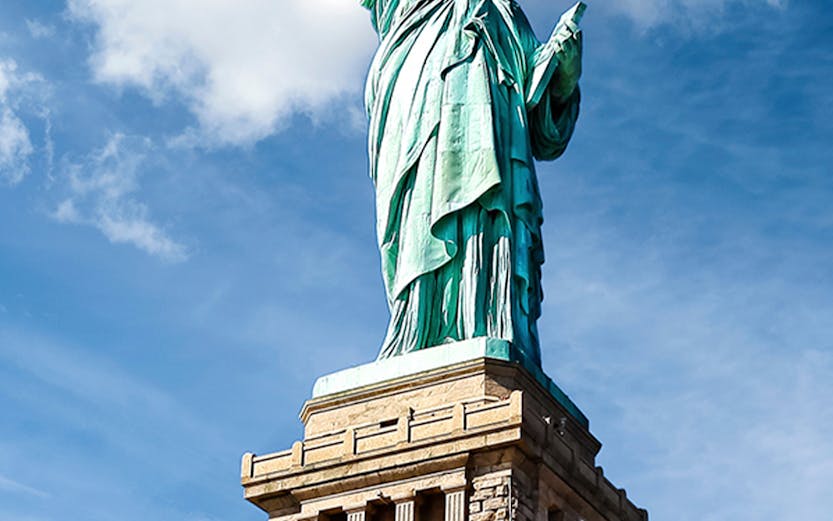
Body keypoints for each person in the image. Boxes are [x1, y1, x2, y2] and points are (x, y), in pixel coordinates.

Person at [360, 0, 582, 367]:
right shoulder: (404, 7)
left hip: (491, 155)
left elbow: (545, 130)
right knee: (421, 223)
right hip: (416, 117)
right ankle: (418, 328)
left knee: (487, 222)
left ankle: (484, 323)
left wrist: (564, 78)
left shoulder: (505, 15)